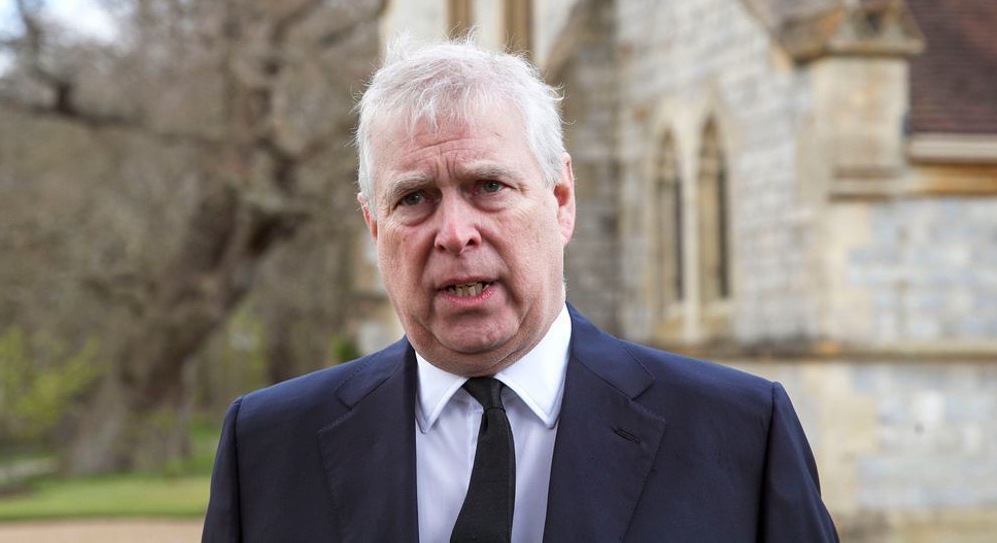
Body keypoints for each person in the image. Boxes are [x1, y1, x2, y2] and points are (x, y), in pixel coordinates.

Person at [202, 40, 839, 542]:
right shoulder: (266, 448)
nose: (454, 234)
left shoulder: (740, 435)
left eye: (489, 187)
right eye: (415, 198)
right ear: (374, 226)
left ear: (561, 201)